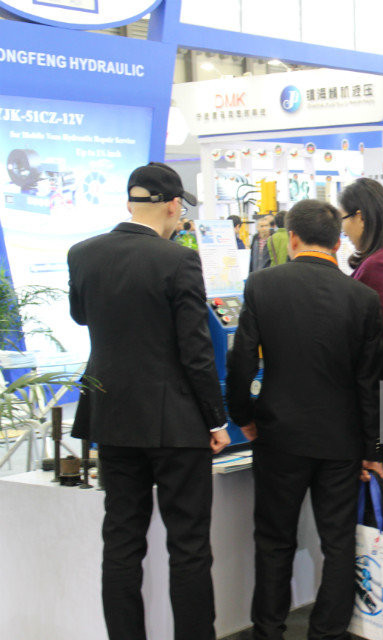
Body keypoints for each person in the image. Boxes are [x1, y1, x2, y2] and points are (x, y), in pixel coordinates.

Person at [67, 162, 230, 640]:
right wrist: (216, 420)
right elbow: (196, 351)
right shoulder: (178, 260)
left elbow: (80, 316)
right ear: (174, 206)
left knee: (121, 541)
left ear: (129, 202)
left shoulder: (83, 253)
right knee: (189, 545)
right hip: (177, 421)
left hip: (111, 416)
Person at [225, 199, 383, 640]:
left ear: (292, 238)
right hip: (341, 440)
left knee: (274, 540)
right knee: (338, 542)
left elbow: (241, 362)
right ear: (337, 242)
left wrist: (243, 416)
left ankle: (268, 631)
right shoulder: (363, 298)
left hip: (279, 434)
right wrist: (371, 448)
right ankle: (328, 632)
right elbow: (369, 382)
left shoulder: (262, 285)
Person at [339, 177, 383, 511]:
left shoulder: (381, 264)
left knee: (380, 482)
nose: (344, 230)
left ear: (360, 216)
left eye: (344, 219)